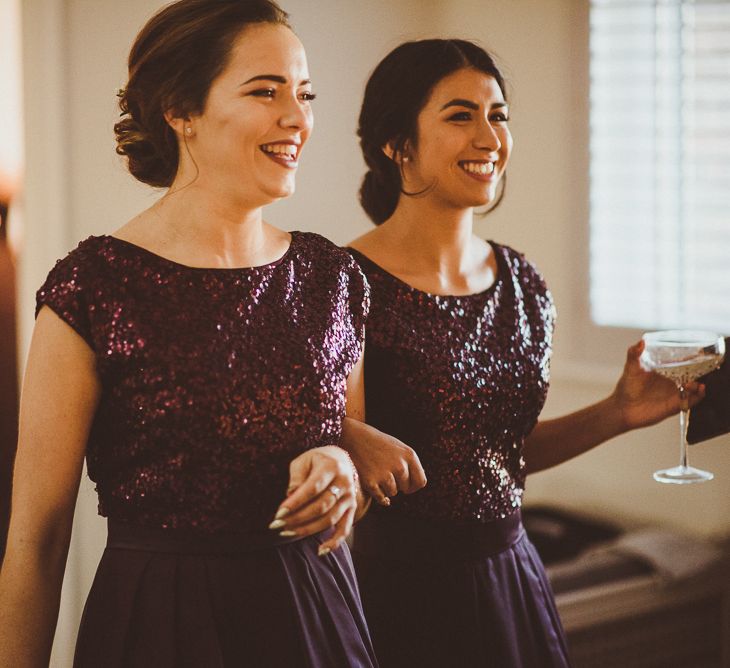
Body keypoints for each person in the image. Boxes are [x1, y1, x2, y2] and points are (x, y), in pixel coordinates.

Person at [0, 2, 378, 666]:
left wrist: (342, 467)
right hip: (161, 626)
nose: (298, 116)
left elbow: (347, 449)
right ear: (181, 110)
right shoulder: (92, 288)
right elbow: (37, 537)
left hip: (314, 618)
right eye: (266, 90)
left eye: (304, 92)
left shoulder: (334, 278)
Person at [339, 38, 705, 668]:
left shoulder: (523, 283)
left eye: (498, 114)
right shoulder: (342, 284)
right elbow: (341, 463)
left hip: (513, 578)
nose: (489, 136)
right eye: (460, 115)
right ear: (397, 144)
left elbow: (499, 458)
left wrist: (617, 411)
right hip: (396, 596)